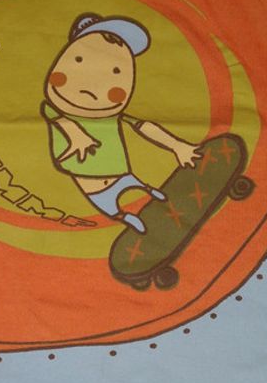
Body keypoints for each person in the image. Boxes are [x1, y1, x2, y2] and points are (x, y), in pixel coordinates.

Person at [41, 12, 201, 233]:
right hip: (94, 187)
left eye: (116, 71)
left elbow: (143, 126)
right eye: (79, 61)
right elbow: (57, 117)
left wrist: (177, 145)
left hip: (121, 173)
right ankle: (128, 217)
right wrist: (77, 135)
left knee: (144, 192)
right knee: (113, 209)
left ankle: (149, 195)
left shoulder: (112, 116)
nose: (92, 84)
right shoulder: (53, 109)